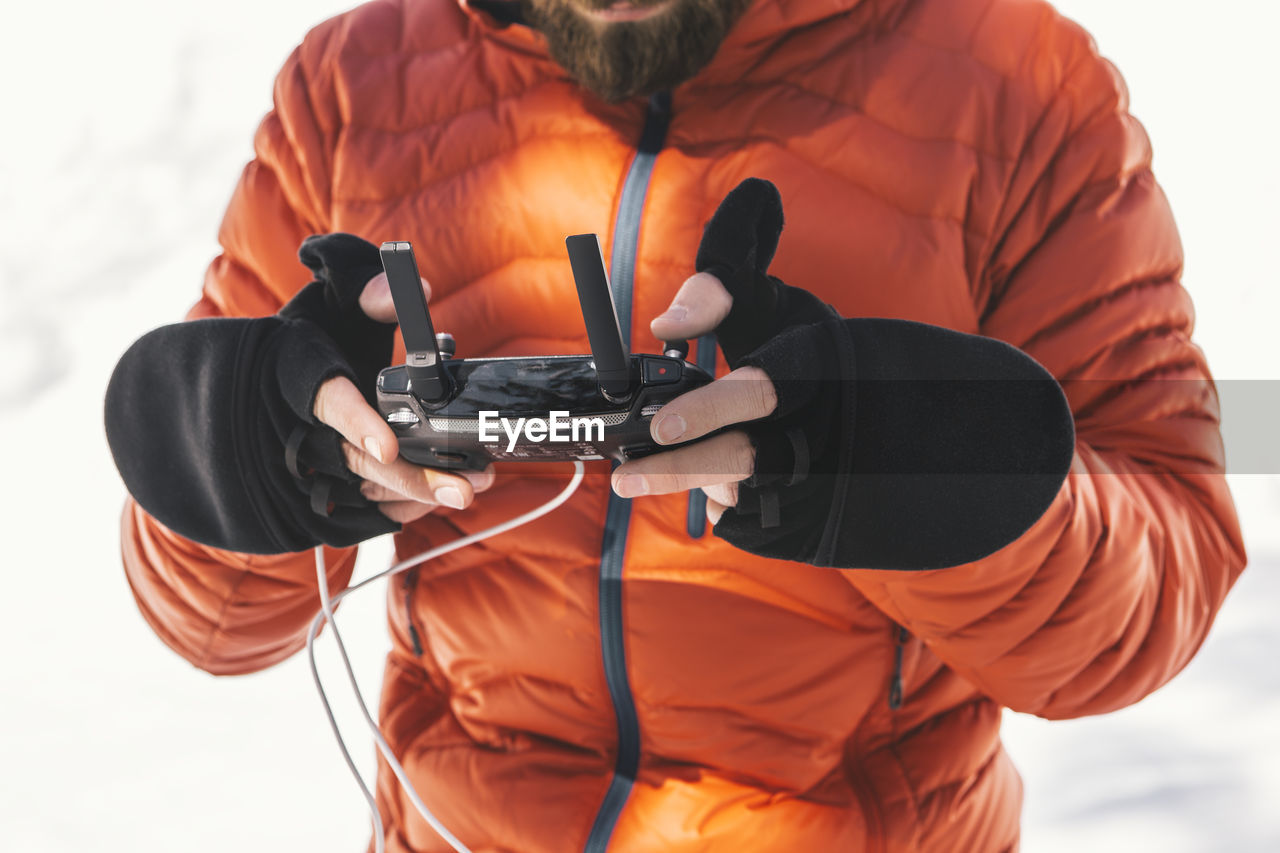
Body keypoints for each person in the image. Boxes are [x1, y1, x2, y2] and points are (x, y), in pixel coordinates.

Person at [103, 0, 1248, 850]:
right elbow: (206, 615)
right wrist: (265, 461)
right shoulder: (355, 85)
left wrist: (928, 471)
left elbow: (1153, 598)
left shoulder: (1016, 83)